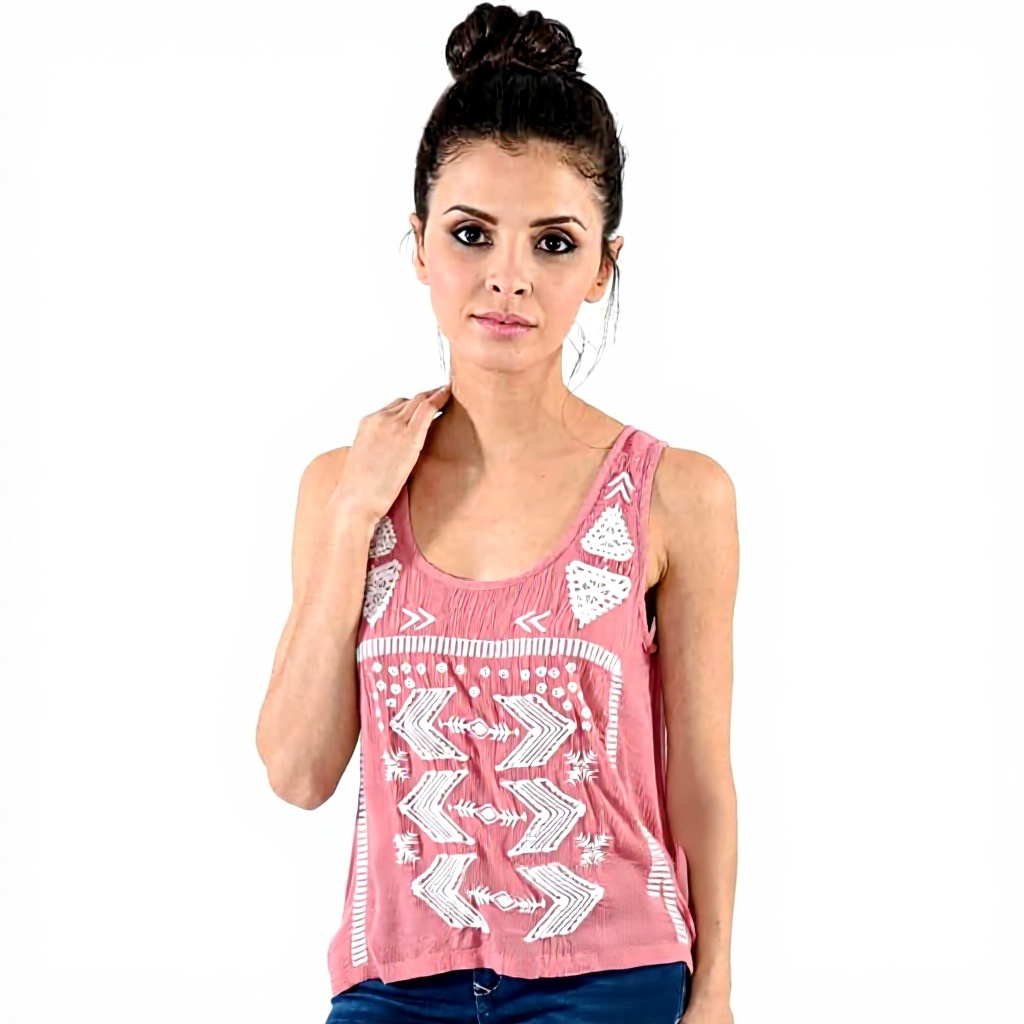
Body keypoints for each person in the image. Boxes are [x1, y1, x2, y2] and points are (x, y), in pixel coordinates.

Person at [255, 5, 739, 1023]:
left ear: (601, 267)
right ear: (419, 245)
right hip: (393, 981)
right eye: (470, 233)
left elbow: (697, 770)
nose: (507, 277)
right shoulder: (342, 486)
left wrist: (717, 990)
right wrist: (354, 517)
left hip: (612, 979)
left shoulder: (675, 494)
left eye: (553, 243)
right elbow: (297, 772)